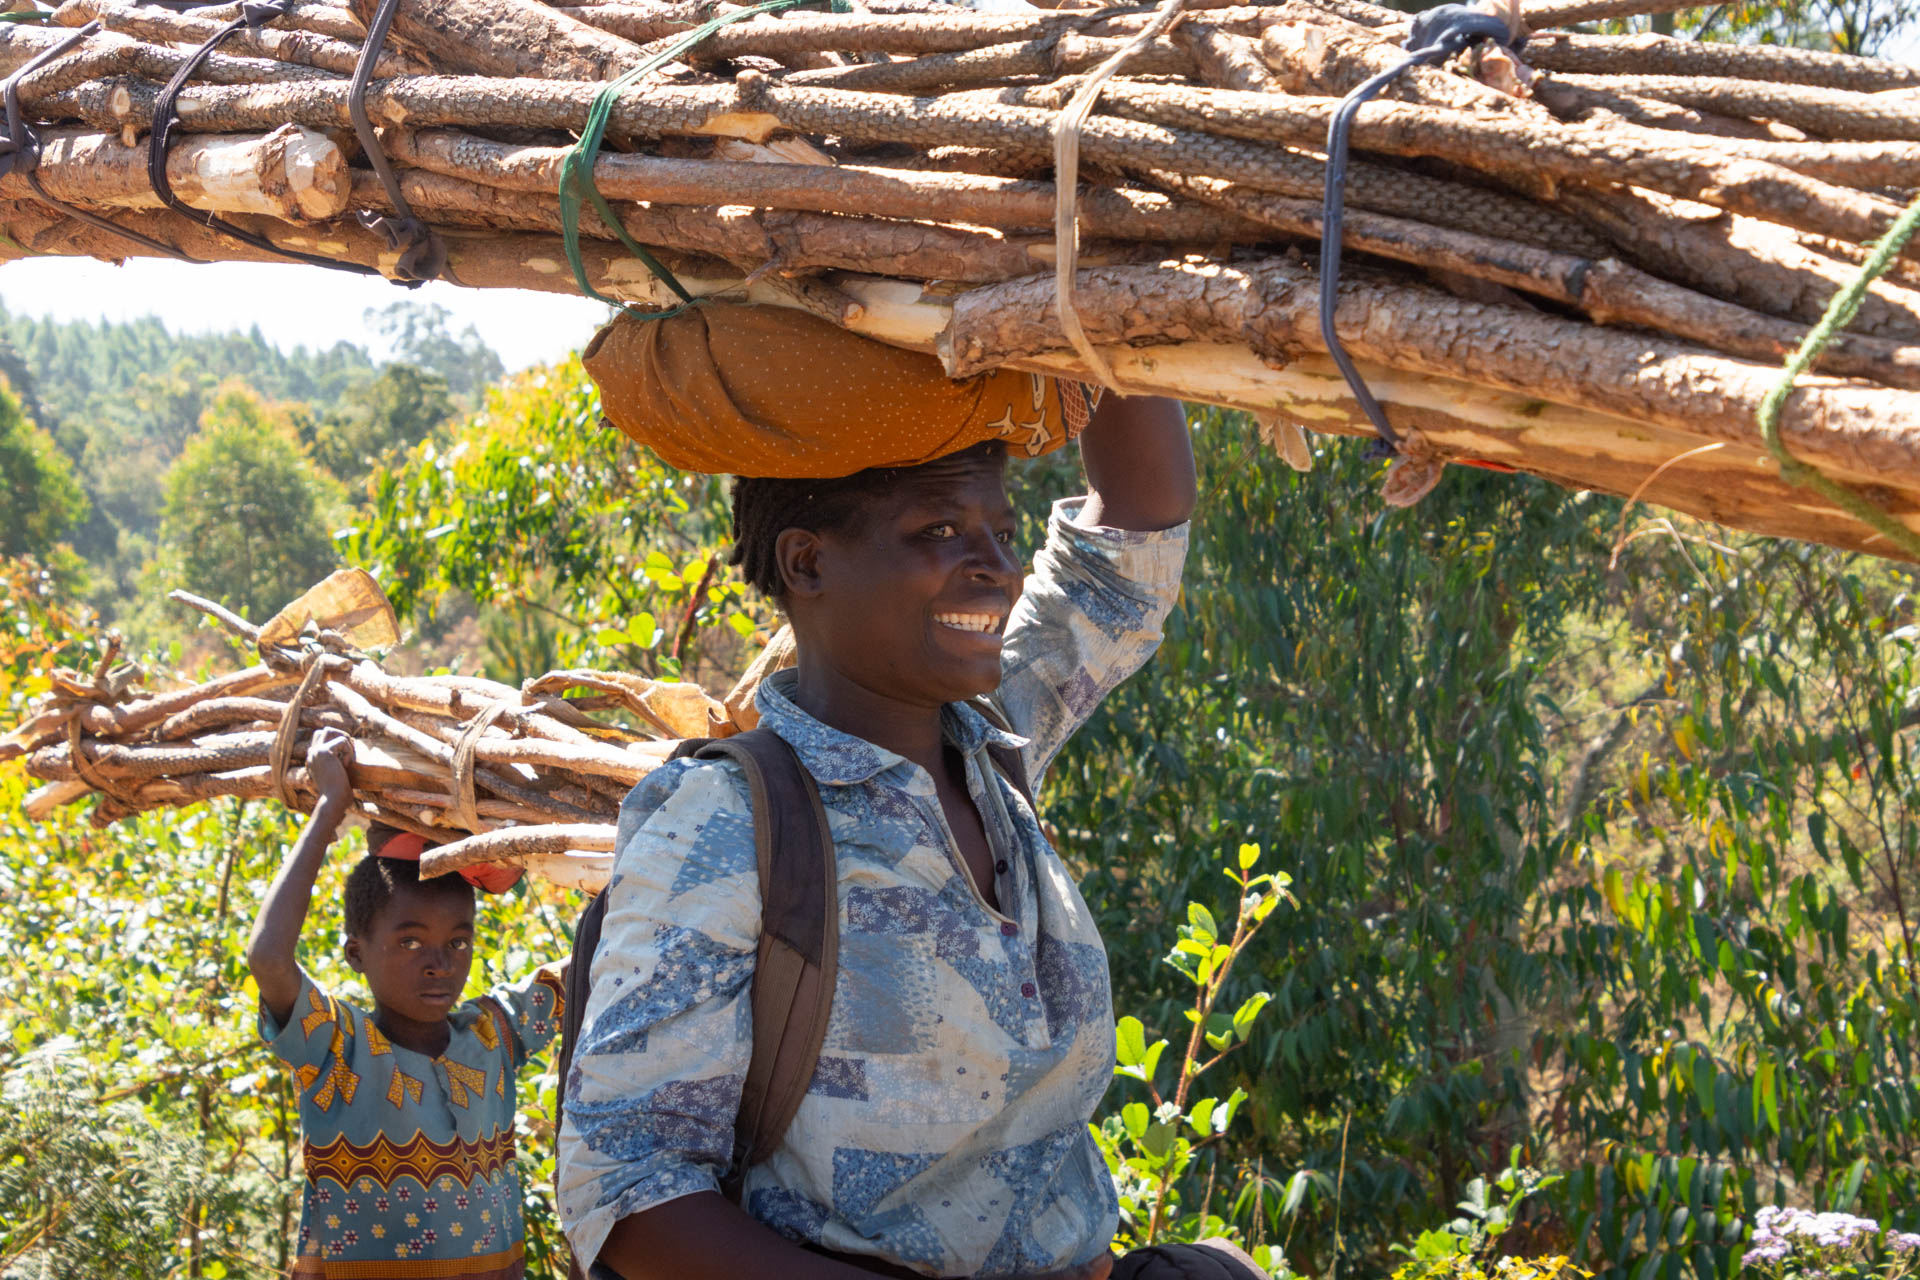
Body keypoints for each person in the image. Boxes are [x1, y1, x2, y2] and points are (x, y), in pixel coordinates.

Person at [556, 383, 1222, 1279]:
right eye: (940, 532)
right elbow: (630, 1192)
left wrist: (1092, 289)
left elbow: (1135, 533)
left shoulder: (998, 740)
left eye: (1001, 529)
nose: (999, 566)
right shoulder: (725, 821)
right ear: (807, 563)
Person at [248, 727, 568, 1279]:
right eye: (410, 941)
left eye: (458, 942)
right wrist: (329, 811)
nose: (439, 964)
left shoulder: (492, 1035)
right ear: (357, 953)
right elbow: (268, 958)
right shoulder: (337, 1047)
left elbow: (583, 964)